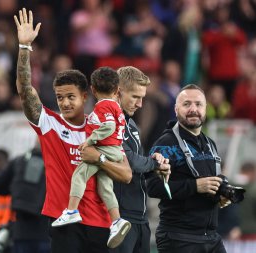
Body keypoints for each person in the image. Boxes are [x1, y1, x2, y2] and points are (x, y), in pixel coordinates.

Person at [13, 8, 131, 253]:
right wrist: (25, 49)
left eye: (70, 96)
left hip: (101, 224)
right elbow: (25, 91)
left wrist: (97, 158)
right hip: (65, 223)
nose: (64, 103)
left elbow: (126, 174)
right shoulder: (50, 124)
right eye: (59, 97)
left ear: (85, 96)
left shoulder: (99, 127)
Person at [89, 66, 169, 253]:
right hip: (119, 216)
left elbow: (137, 167)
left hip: (140, 218)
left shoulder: (131, 125)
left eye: (142, 98)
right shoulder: (107, 121)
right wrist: (153, 163)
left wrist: (155, 167)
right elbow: (127, 159)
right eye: (135, 97)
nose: (140, 104)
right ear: (118, 91)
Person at [147, 84, 231, 253]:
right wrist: (195, 186)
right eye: (187, 104)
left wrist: (222, 192)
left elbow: (211, 178)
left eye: (198, 104)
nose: (193, 109)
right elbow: (151, 186)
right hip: (179, 237)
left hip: (211, 236)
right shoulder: (165, 144)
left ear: (205, 109)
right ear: (176, 109)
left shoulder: (209, 143)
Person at [52, 67, 131, 249]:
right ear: (117, 90)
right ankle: (117, 220)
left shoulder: (103, 105)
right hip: (116, 150)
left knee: (79, 174)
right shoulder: (117, 107)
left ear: (93, 90)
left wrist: (90, 140)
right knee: (105, 187)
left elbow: (109, 127)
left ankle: (71, 210)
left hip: (105, 148)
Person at [0, 141, 50, 253]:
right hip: (46, 234)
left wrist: (14, 188)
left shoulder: (19, 161)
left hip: (20, 233)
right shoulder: (56, 166)